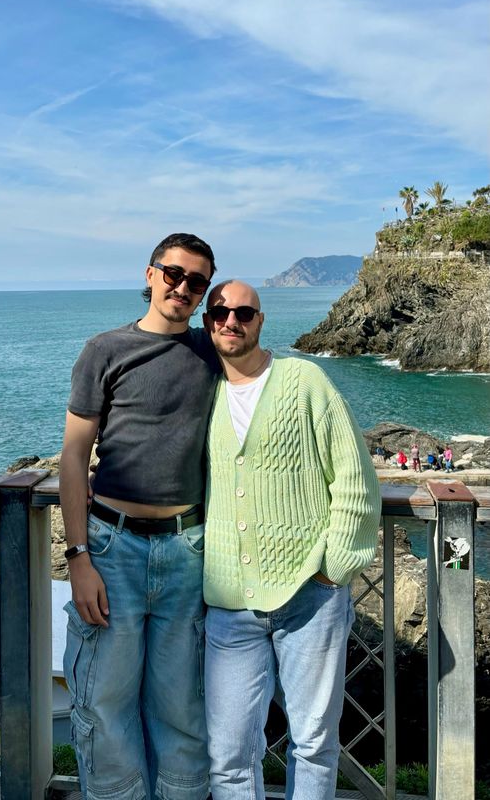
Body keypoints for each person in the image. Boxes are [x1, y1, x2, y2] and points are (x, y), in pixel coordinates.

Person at [201, 281, 381, 800]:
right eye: (220, 312)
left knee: (314, 742)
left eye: (243, 313)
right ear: (208, 320)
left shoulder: (305, 380)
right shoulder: (202, 391)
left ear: (260, 320)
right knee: (230, 754)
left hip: (310, 594)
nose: (231, 321)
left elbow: (353, 476)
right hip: (228, 602)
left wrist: (335, 566)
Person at [59, 232, 220, 800]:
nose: (183, 287)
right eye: (173, 274)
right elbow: (74, 455)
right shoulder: (104, 350)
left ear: (205, 294)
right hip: (111, 546)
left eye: (196, 282)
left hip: (189, 550)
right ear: (150, 274)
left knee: (183, 707)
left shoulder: (213, 351)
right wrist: (77, 556)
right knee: (104, 704)